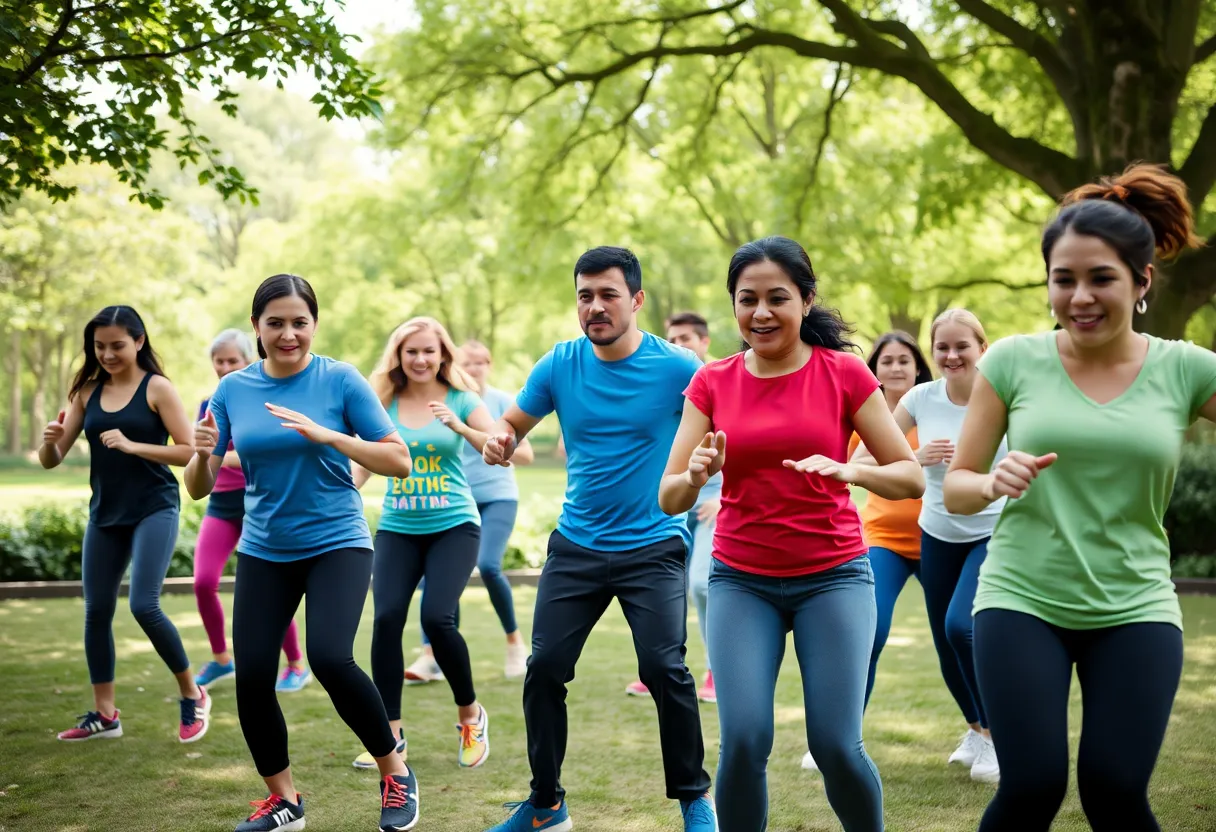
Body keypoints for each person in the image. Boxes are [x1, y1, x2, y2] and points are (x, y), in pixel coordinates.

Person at [943, 164, 1215, 831]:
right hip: (1022, 598)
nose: (1080, 296)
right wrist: (991, 481)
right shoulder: (1011, 361)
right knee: (1032, 786)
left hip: (1136, 604)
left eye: (1101, 279)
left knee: (1117, 790)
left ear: (1142, 282)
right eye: (1063, 279)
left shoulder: (1185, 368)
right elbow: (958, 486)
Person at [659, 236, 923, 832]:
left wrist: (851, 469)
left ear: (805, 301)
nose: (761, 312)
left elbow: (910, 478)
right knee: (746, 739)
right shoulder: (712, 383)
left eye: (777, 298)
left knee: (834, 744)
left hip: (832, 578)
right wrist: (696, 472)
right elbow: (668, 494)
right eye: (746, 299)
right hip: (741, 580)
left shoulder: (845, 373)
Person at [479, 246, 716, 832]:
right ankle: (545, 804)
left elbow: (724, 431)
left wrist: (710, 488)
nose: (595, 306)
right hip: (578, 545)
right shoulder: (559, 364)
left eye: (609, 294)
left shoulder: (680, 368)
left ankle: (694, 799)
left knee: (665, 670)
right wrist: (500, 440)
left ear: (636, 300)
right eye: (585, 295)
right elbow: (513, 425)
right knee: (545, 670)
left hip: (655, 544)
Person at [185, 274, 417, 832]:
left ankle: (396, 772)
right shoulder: (233, 390)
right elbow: (198, 485)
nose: (288, 334)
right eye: (275, 323)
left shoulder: (340, 380)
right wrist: (199, 455)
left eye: (299, 322)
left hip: (337, 540)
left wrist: (330, 436)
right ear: (256, 327)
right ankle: (284, 800)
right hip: (266, 547)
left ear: (314, 324)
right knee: (253, 675)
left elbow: (399, 459)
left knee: (331, 658)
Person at [39, 305, 211, 744]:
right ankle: (105, 714)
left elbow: (189, 450)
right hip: (106, 514)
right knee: (96, 611)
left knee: (143, 605)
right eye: (99, 347)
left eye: (117, 345)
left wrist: (135, 446)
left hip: (154, 507)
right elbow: (52, 460)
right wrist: (49, 445)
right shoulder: (86, 391)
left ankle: (193, 694)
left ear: (138, 341)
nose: (108, 354)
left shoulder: (157, 388)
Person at [854, 308, 1007, 784]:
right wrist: (913, 457)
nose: (952, 354)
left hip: (990, 532)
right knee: (945, 641)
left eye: (962, 345)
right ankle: (977, 731)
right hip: (936, 533)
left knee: (962, 625)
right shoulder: (921, 398)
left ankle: (999, 739)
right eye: (943, 346)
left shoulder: (1003, 396)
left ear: (982, 347)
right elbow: (863, 456)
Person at [350, 318, 495, 772]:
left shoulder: (460, 398)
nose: (420, 359)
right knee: (387, 617)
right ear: (398, 355)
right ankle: (390, 736)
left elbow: (497, 447)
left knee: (437, 616)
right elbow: (370, 459)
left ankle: (470, 716)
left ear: (442, 355)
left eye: (428, 351)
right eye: (410, 351)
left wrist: (460, 426)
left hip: (454, 524)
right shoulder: (383, 401)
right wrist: (348, 490)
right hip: (398, 526)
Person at [802, 330, 932, 773]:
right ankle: (839, 734)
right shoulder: (867, 413)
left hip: (940, 539)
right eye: (887, 361)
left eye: (904, 361)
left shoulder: (937, 405)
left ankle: (982, 734)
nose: (895, 368)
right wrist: (919, 457)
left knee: (959, 637)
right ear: (874, 370)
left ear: (918, 367)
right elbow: (852, 463)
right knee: (869, 636)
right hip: (883, 538)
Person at [402, 338, 534, 686]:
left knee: (489, 565)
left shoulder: (503, 402)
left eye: (480, 362)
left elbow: (526, 456)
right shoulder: (441, 399)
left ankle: (515, 643)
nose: (474, 368)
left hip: (497, 498)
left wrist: (493, 440)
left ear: (489, 365)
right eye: (467, 362)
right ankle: (433, 656)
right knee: (435, 575)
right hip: (454, 500)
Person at [192, 329, 311, 694]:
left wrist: (219, 457)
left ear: (249, 361)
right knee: (203, 582)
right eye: (219, 361)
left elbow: (254, 456)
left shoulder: (262, 400)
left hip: (259, 504)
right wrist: (207, 456)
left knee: (270, 592)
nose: (225, 367)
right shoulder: (208, 404)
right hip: (220, 505)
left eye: (233, 360)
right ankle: (222, 660)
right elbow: (200, 457)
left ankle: (294, 664)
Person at [627, 312, 720, 704]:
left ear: (703, 342)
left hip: (715, 501)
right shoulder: (663, 383)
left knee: (701, 583)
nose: (678, 345)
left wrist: (724, 496)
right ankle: (659, 667)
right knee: (666, 587)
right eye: (672, 338)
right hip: (670, 502)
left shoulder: (721, 381)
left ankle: (716, 670)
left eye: (685, 338)